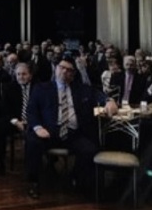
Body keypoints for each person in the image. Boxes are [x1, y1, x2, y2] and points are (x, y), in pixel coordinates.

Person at [25, 56, 117, 199]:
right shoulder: (42, 88)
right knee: (32, 142)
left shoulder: (81, 89)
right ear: (56, 69)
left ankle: (76, 178)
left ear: (73, 74)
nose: (64, 72)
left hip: (73, 133)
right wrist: (37, 128)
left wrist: (109, 101)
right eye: (62, 68)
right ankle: (33, 183)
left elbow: (97, 94)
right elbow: (31, 111)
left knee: (90, 149)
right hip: (49, 131)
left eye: (68, 70)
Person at [0, 62, 33, 175]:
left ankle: (42, 164)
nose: (21, 77)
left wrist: (31, 121)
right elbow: (6, 109)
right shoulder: (9, 87)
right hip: (15, 120)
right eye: (18, 74)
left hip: (34, 121)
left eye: (24, 74)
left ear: (30, 75)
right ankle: (0, 161)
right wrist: (16, 122)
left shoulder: (38, 87)